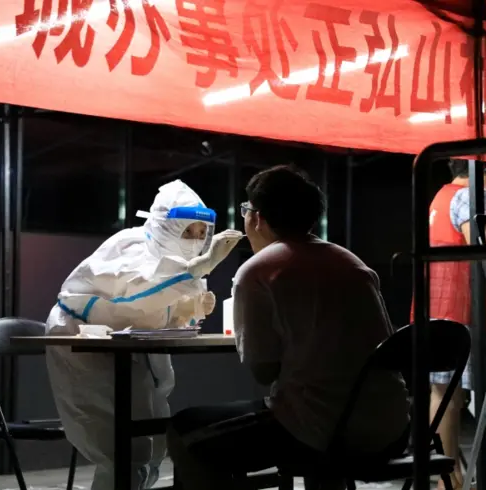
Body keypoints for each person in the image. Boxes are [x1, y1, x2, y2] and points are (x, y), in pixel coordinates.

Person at [167, 165, 411, 490]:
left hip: (320, 432)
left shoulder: (259, 271)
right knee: (312, 408)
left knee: (184, 431)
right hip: (391, 429)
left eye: (245, 210)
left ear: (256, 217)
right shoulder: (352, 263)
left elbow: (264, 371)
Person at [45, 180, 243, 490]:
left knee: (150, 439)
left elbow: (160, 314)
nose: (195, 239)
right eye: (187, 230)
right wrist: (194, 272)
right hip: (84, 340)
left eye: (201, 233)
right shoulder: (131, 245)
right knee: (118, 444)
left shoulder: (183, 263)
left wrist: (191, 307)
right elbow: (136, 295)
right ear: (166, 226)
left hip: (132, 345)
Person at [413, 159, 486, 490]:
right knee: (448, 394)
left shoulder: (441, 195)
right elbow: (478, 244)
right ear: (485, 172)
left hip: (437, 304)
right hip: (458, 306)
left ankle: (446, 472)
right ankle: (446, 478)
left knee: (443, 392)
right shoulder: (468, 197)